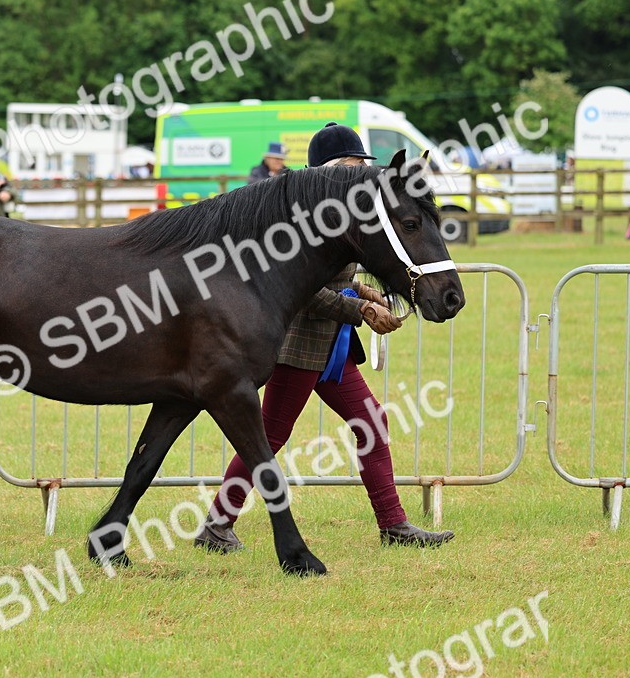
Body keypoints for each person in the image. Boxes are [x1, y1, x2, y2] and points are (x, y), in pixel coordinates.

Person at [194, 121, 455, 553]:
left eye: (361, 163)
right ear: (329, 168)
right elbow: (306, 290)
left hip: (331, 348)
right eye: (352, 163)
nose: (359, 170)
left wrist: (367, 291)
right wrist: (362, 309)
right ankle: (217, 524)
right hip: (298, 346)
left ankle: (393, 523)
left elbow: (342, 277)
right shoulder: (303, 216)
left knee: (371, 422)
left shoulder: (342, 212)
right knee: (269, 436)